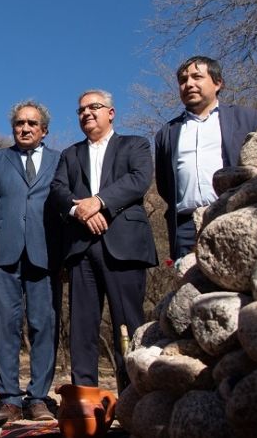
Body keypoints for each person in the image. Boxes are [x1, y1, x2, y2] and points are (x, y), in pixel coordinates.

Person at [49, 89, 157, 393]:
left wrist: (99, 202)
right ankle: (85, 399)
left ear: (111, 112)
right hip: (81, 250)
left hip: (124, 245)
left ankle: (134, 395)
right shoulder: (70, 154)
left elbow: (138, 179)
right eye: (81, 110)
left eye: (94, 107)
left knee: (129, 324)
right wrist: (79, 211)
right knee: (83, 328)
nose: (86, 113)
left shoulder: (134, 144)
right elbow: (57, 190)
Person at [0, 101, 61, 422]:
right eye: (19, 123)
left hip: (47, 255)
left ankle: (39, 398)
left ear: (44, 129)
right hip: (2, 254)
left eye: (32, 123)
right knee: (5, 327)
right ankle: (10, 400)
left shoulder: (62, 161)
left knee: (44, 324)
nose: (25, 128)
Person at [154, 56, 257, 260]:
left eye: (197, 77)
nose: (189, 84)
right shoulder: (167, 133)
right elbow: (165, 184)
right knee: (190, 288)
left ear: (218, 82)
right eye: (183, 80)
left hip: (236, 214)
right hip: (185, 227)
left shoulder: (247, 119)